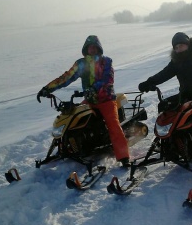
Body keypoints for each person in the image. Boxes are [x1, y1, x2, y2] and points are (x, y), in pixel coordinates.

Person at [37, 35, 130, 167]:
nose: (92, 49)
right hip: (90, 100)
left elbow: (107, 79)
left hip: (106, 100)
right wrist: (47, 89)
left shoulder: (106, 62)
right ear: (85, 49)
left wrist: (94, 88)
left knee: (114, 126)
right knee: (73, 119)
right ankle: (69, 147)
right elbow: (66, 77)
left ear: (99, 48)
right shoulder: (81, 64)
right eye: (89, 47)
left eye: (94, 47)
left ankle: (124, 157)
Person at [138, 32, 192, 152]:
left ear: (188, 44)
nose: (179, 49)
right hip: (186, 93)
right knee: (165, 106)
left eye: (181, 45)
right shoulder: (177, 61)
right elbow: (164, 73)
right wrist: (149, 82)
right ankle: (172, 139)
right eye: (176, 47)